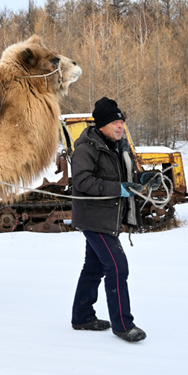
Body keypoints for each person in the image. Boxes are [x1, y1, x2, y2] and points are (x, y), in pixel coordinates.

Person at [69, 97, 148, 343]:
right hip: (94, 218)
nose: (120, 126)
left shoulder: (118, 146)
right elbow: (82, 181)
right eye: (115, 122)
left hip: (108, 216)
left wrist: (144, 181)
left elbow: (129, 175)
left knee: (93, 267)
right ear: (102, 124)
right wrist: (119, 188)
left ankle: (82, 317)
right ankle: (123, 325)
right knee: (117, 267)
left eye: (121, 122)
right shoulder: (86, 148)